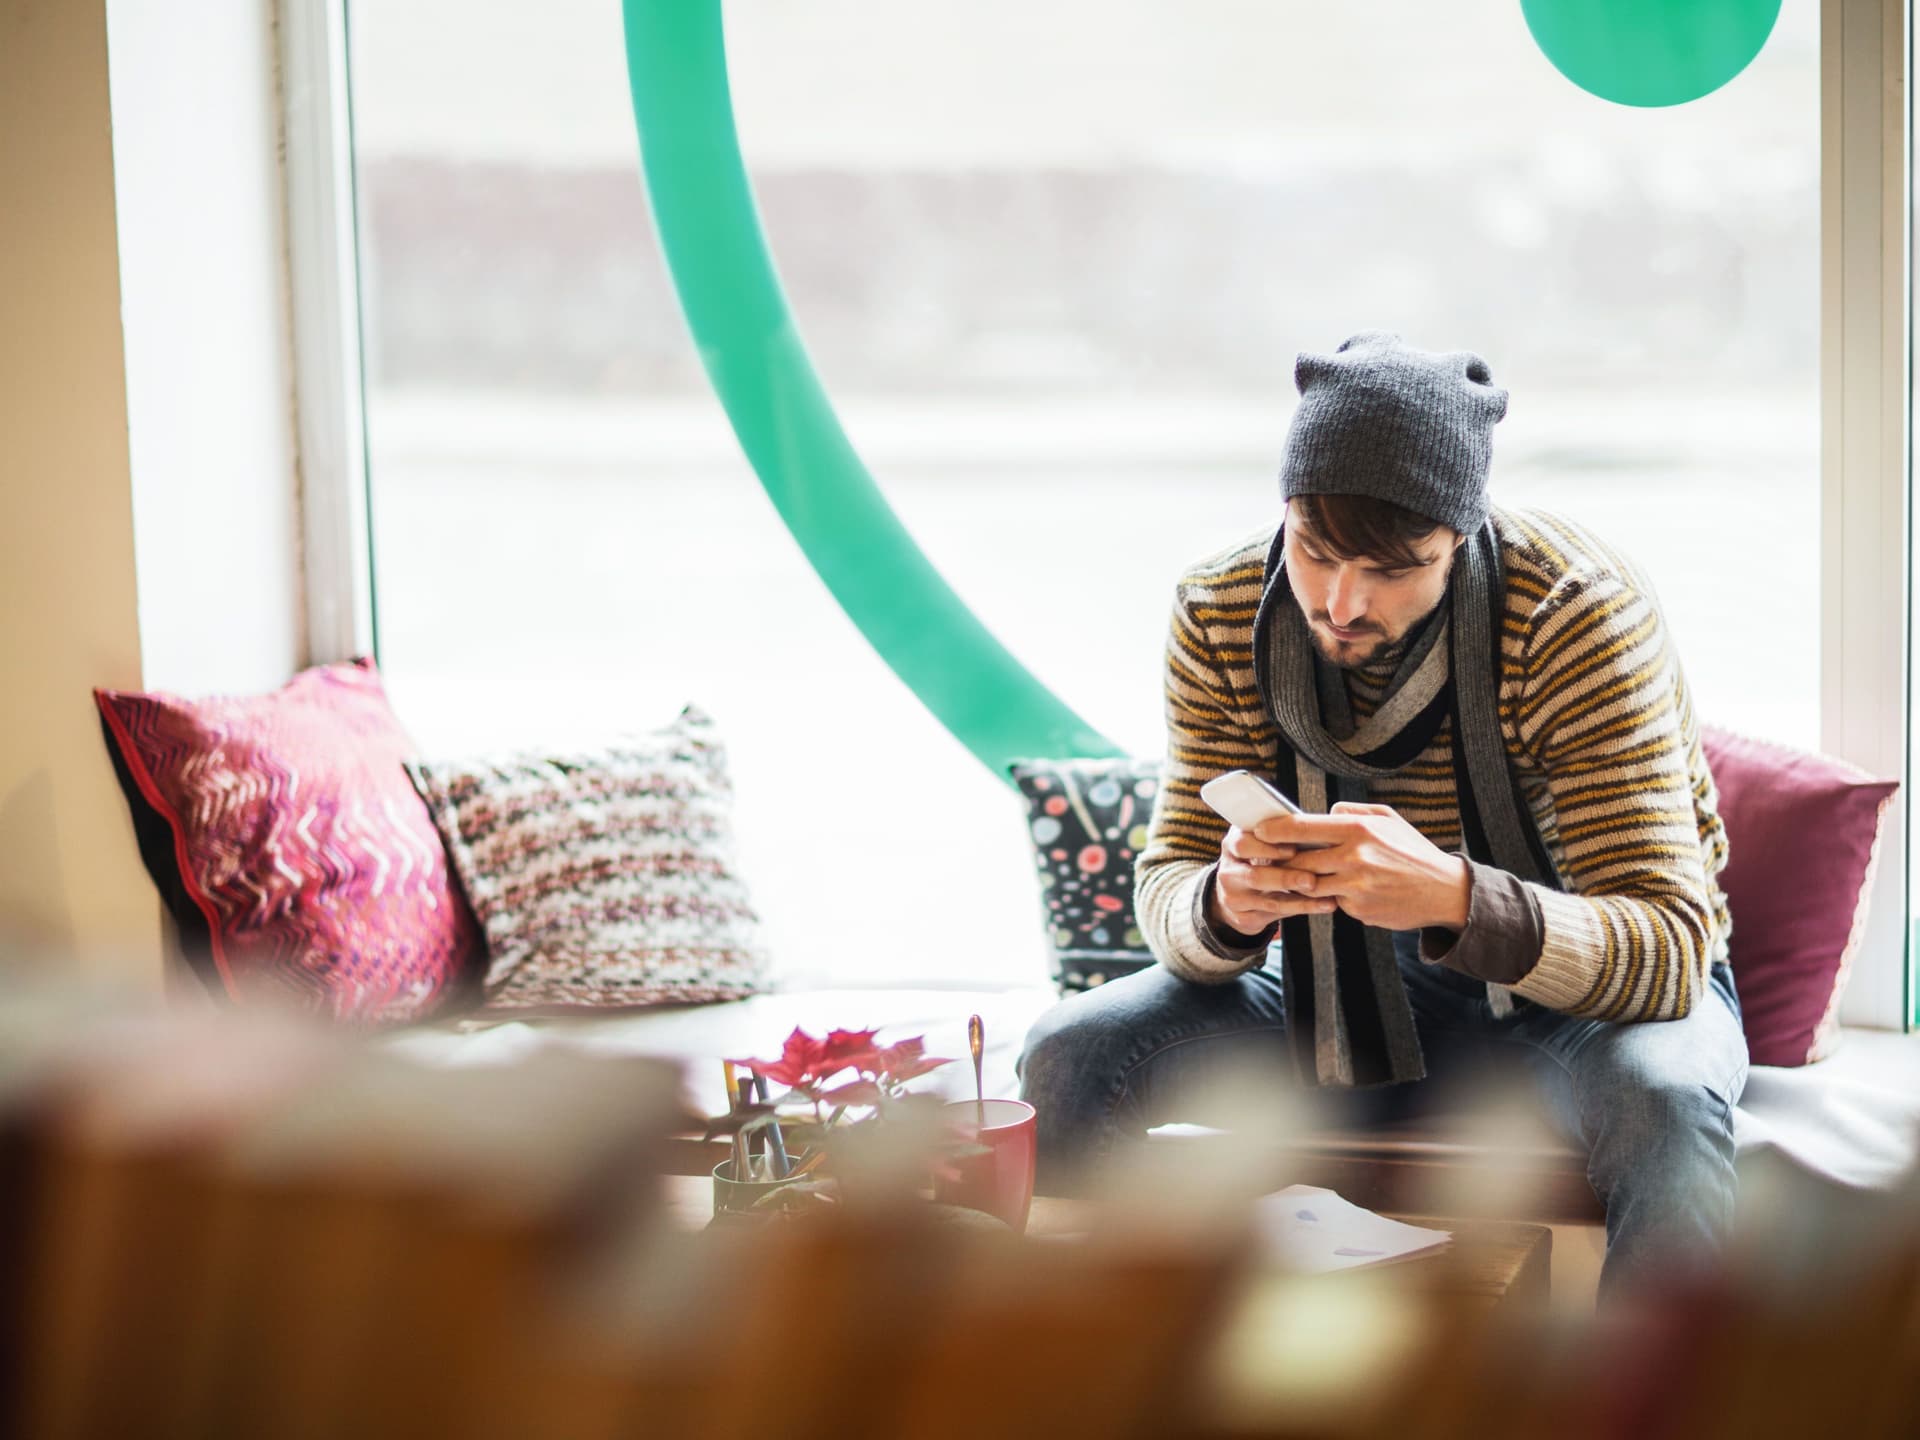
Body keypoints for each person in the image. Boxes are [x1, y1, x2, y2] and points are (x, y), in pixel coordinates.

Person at [1018, 331, 1748, 1304]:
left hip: (1585, 1005)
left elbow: (1666, 953)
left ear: (1460, 536)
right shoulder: (1220, 608)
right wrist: (1228, 905)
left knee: (1666, 1103)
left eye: (1393, 568)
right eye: (1317, 552)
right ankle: (1079, 1364)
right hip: (1331, 985)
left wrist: (1454, 896)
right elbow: (1166, 895)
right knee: (1068, 1052)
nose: (1341, 602)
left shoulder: (1572, 615)